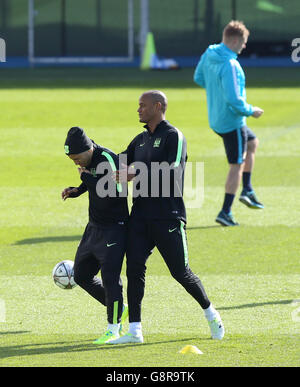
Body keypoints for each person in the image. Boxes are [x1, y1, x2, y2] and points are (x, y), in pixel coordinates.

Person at [108, 90, 225, 345]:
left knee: (180, 272)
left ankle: (211, 313)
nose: (138, 110)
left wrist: (135, 173)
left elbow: (172, 172)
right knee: (134, 269)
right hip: (139, 217)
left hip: (168, 217)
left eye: (142, 106)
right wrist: (90, 157)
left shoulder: (174, 136)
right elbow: (117, 160)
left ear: (157, 106)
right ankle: (135, 331)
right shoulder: (139, 140)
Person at [62, 126, 129, 344]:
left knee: (111, 280)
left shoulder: (108, 159)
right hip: (94, 227)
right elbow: (92, 181)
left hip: (114, 228)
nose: (76, 164)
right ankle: (120, 309)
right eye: (72, 160)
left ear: (88, 149)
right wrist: (77, 190)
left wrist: (86, 180)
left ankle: (113, 329)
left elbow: (115, 191)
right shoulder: (88, 162)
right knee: (81, 275)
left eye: (77, 158)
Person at [193, 20, 264, 227]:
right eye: (243, 43)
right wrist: (252, 110)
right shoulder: (231, 65)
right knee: (236, 165)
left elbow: (198, 77)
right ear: (234, 40)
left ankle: (248, 189)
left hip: (215, 118)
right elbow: (234, 100)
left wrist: (215, 89)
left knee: (252, 143)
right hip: (232, 122)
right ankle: (226, 211)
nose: (244, 47)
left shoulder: (209, 53)